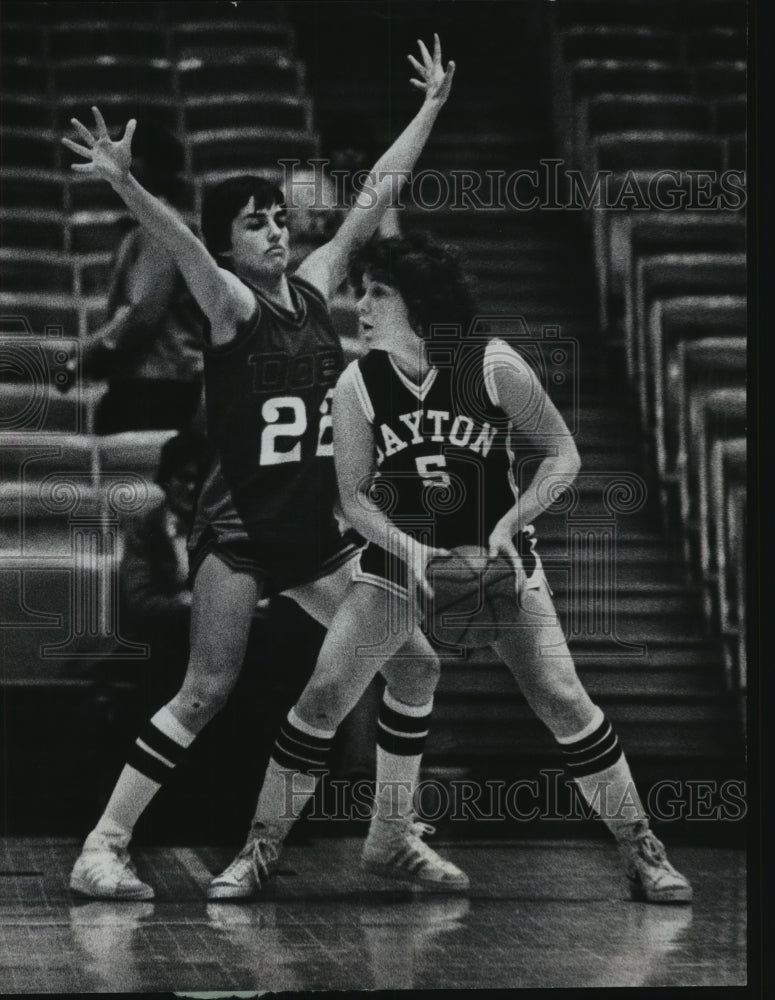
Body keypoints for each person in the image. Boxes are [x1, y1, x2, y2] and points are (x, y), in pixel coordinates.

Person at [64, 34, 456, 901]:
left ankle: (391, 838)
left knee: (416, 664)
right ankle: (103, 846)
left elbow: (371, 199)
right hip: (241, 527)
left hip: (314, 532)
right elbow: (182, 244)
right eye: (254, 222)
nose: (274, 230)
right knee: (204, 689)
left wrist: (427, 109)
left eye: (278, 216)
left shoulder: (316, 285)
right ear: (231, 245)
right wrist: (129, 182)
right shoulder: (230, 303)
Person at [236, 231, 693, 904]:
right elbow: (353, 496)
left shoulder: (492, 366)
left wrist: (514, 520)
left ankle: (641, 849)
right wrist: (411, 550)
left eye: (376, 293)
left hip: (493, 558)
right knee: (325, 692)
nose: (358, 304)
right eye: (358, 291)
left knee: (564, 700)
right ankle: (258, 850)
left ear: (418, 304)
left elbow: (561, 454)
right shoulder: (356, 384)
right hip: (399, 556)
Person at [78, 121, 205, 435]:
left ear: (140, 166)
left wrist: (83, 356)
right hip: (165, 379)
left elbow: (143, 312)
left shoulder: (158, 227)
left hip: (154, 383)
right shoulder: (163, 224)